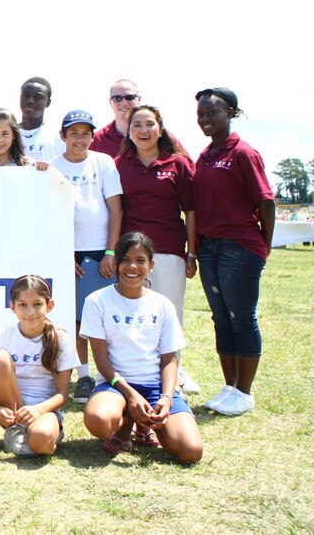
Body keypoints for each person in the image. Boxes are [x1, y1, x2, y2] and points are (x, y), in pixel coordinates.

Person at [81, 232, 203, 463]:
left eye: (140, 261)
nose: (132, 267)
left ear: (151, 265)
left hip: (157, 389)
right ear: (116, 263)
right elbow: (102, 360)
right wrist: (131, 395)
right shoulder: (97, 301)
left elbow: (170, 360)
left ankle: (149, 424)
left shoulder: (162, 305)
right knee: (98, 421)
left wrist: (166, 398)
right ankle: (127, 420)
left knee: (191, 452)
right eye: (125, 260)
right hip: (116, 386)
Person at [192, 88, 275, 416]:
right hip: (209, 247)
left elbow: (266, 202)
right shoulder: (205, 155)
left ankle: (245, 391)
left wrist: (263, 247)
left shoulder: (242, 152)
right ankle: (230, 387)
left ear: (231, 113)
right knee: (220, 319)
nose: (205, 119)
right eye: (201, 114)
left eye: (212, 113)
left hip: (238, 246)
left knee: (242, 318)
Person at [114, 105, 200, 393]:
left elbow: (190, 210)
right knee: (136, 313)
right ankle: (136, 370)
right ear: (129, 131)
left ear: (160, 129)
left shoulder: (178, 164)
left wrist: (191, 252)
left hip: (169, 249)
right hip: (131, 253)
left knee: (170, 312)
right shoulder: (119, 165)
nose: (143, 130)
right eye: (136, 125)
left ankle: (176, 368)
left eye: (149, 124)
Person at [49, 110, 123, 404]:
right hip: (67, 254)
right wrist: (63, 256)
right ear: (62, 136)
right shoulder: (52, 167)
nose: (80, 139)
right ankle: (84, 375)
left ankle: (110, 375)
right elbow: (47, 217)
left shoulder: (103, 162)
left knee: (103, 318)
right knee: (75, 320)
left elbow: (115, 209)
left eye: (85, 133)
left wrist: (110, 252)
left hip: (100, 251)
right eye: (73, 133)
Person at [0, 275, 77, 457]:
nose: (30, 311)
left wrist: (38, 410)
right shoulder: (3, 336)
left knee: (41, 442)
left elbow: (62, 395)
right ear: (13, 307)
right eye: (23, 304)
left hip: (44, 410)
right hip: (13, 410)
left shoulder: (61, 340)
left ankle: (44, 433)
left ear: (50, 305)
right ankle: (16, 429)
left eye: (37, 304)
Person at [18, 77, 63, 163]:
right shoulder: (8, 134)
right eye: (25, 95)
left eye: (38, 97)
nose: (30, 101)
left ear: (48, 103)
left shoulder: (58, 136)